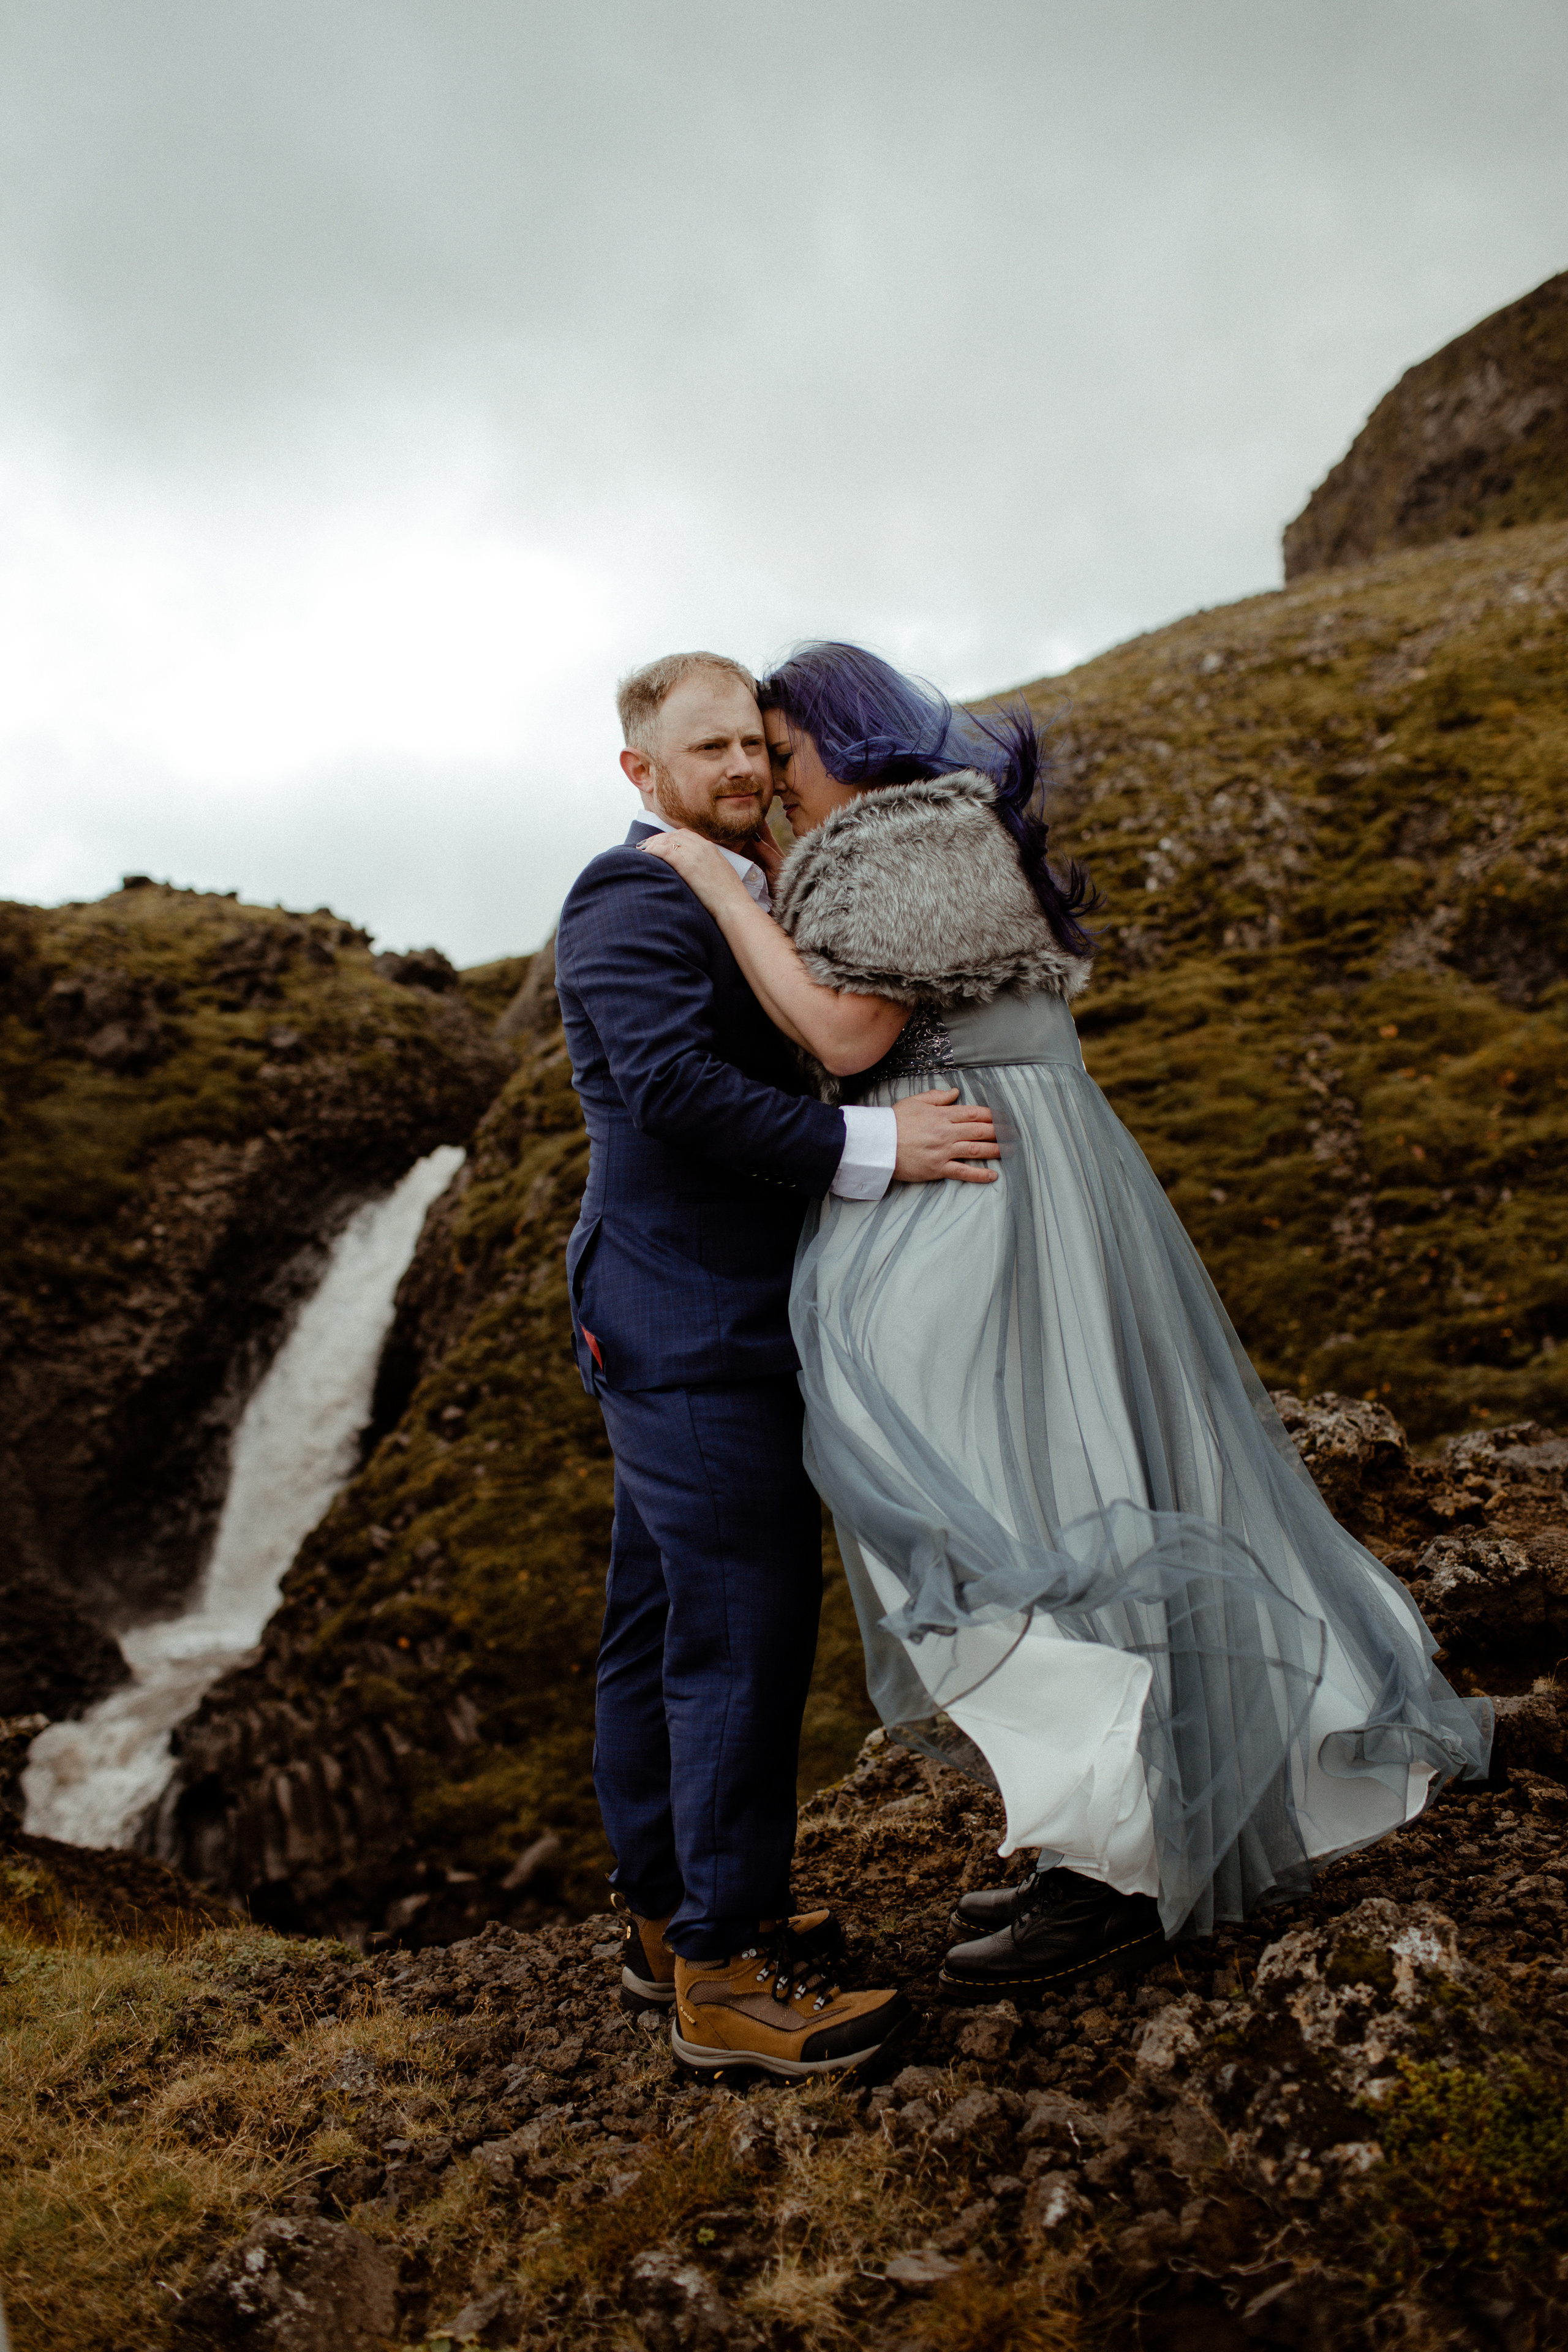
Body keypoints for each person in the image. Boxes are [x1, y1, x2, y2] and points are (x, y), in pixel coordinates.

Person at [640, 639, 1493, 2003]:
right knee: (1032, 1500)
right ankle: (1101, 1832)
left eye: (782, 752)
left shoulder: (901, 834)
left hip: (980, 1202)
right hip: (1002, 1184)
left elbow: (848, 1039)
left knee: (984, 1510)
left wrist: (707, 885)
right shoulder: (915, 837)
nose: (774, 781)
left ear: (849, 741)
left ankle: (1114, 1853)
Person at [553, 649, 1000, 2078]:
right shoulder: (629, 893)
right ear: (641, 771)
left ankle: (666, 1915)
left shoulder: (744, 886)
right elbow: (672, 1091)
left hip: (705, 1311)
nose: (744, 768)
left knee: (660, 1622)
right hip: (688, 1319)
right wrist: (880, 1147)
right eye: (709, 751)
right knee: (740, 1631)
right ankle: (726, 1972)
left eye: (753, 743)